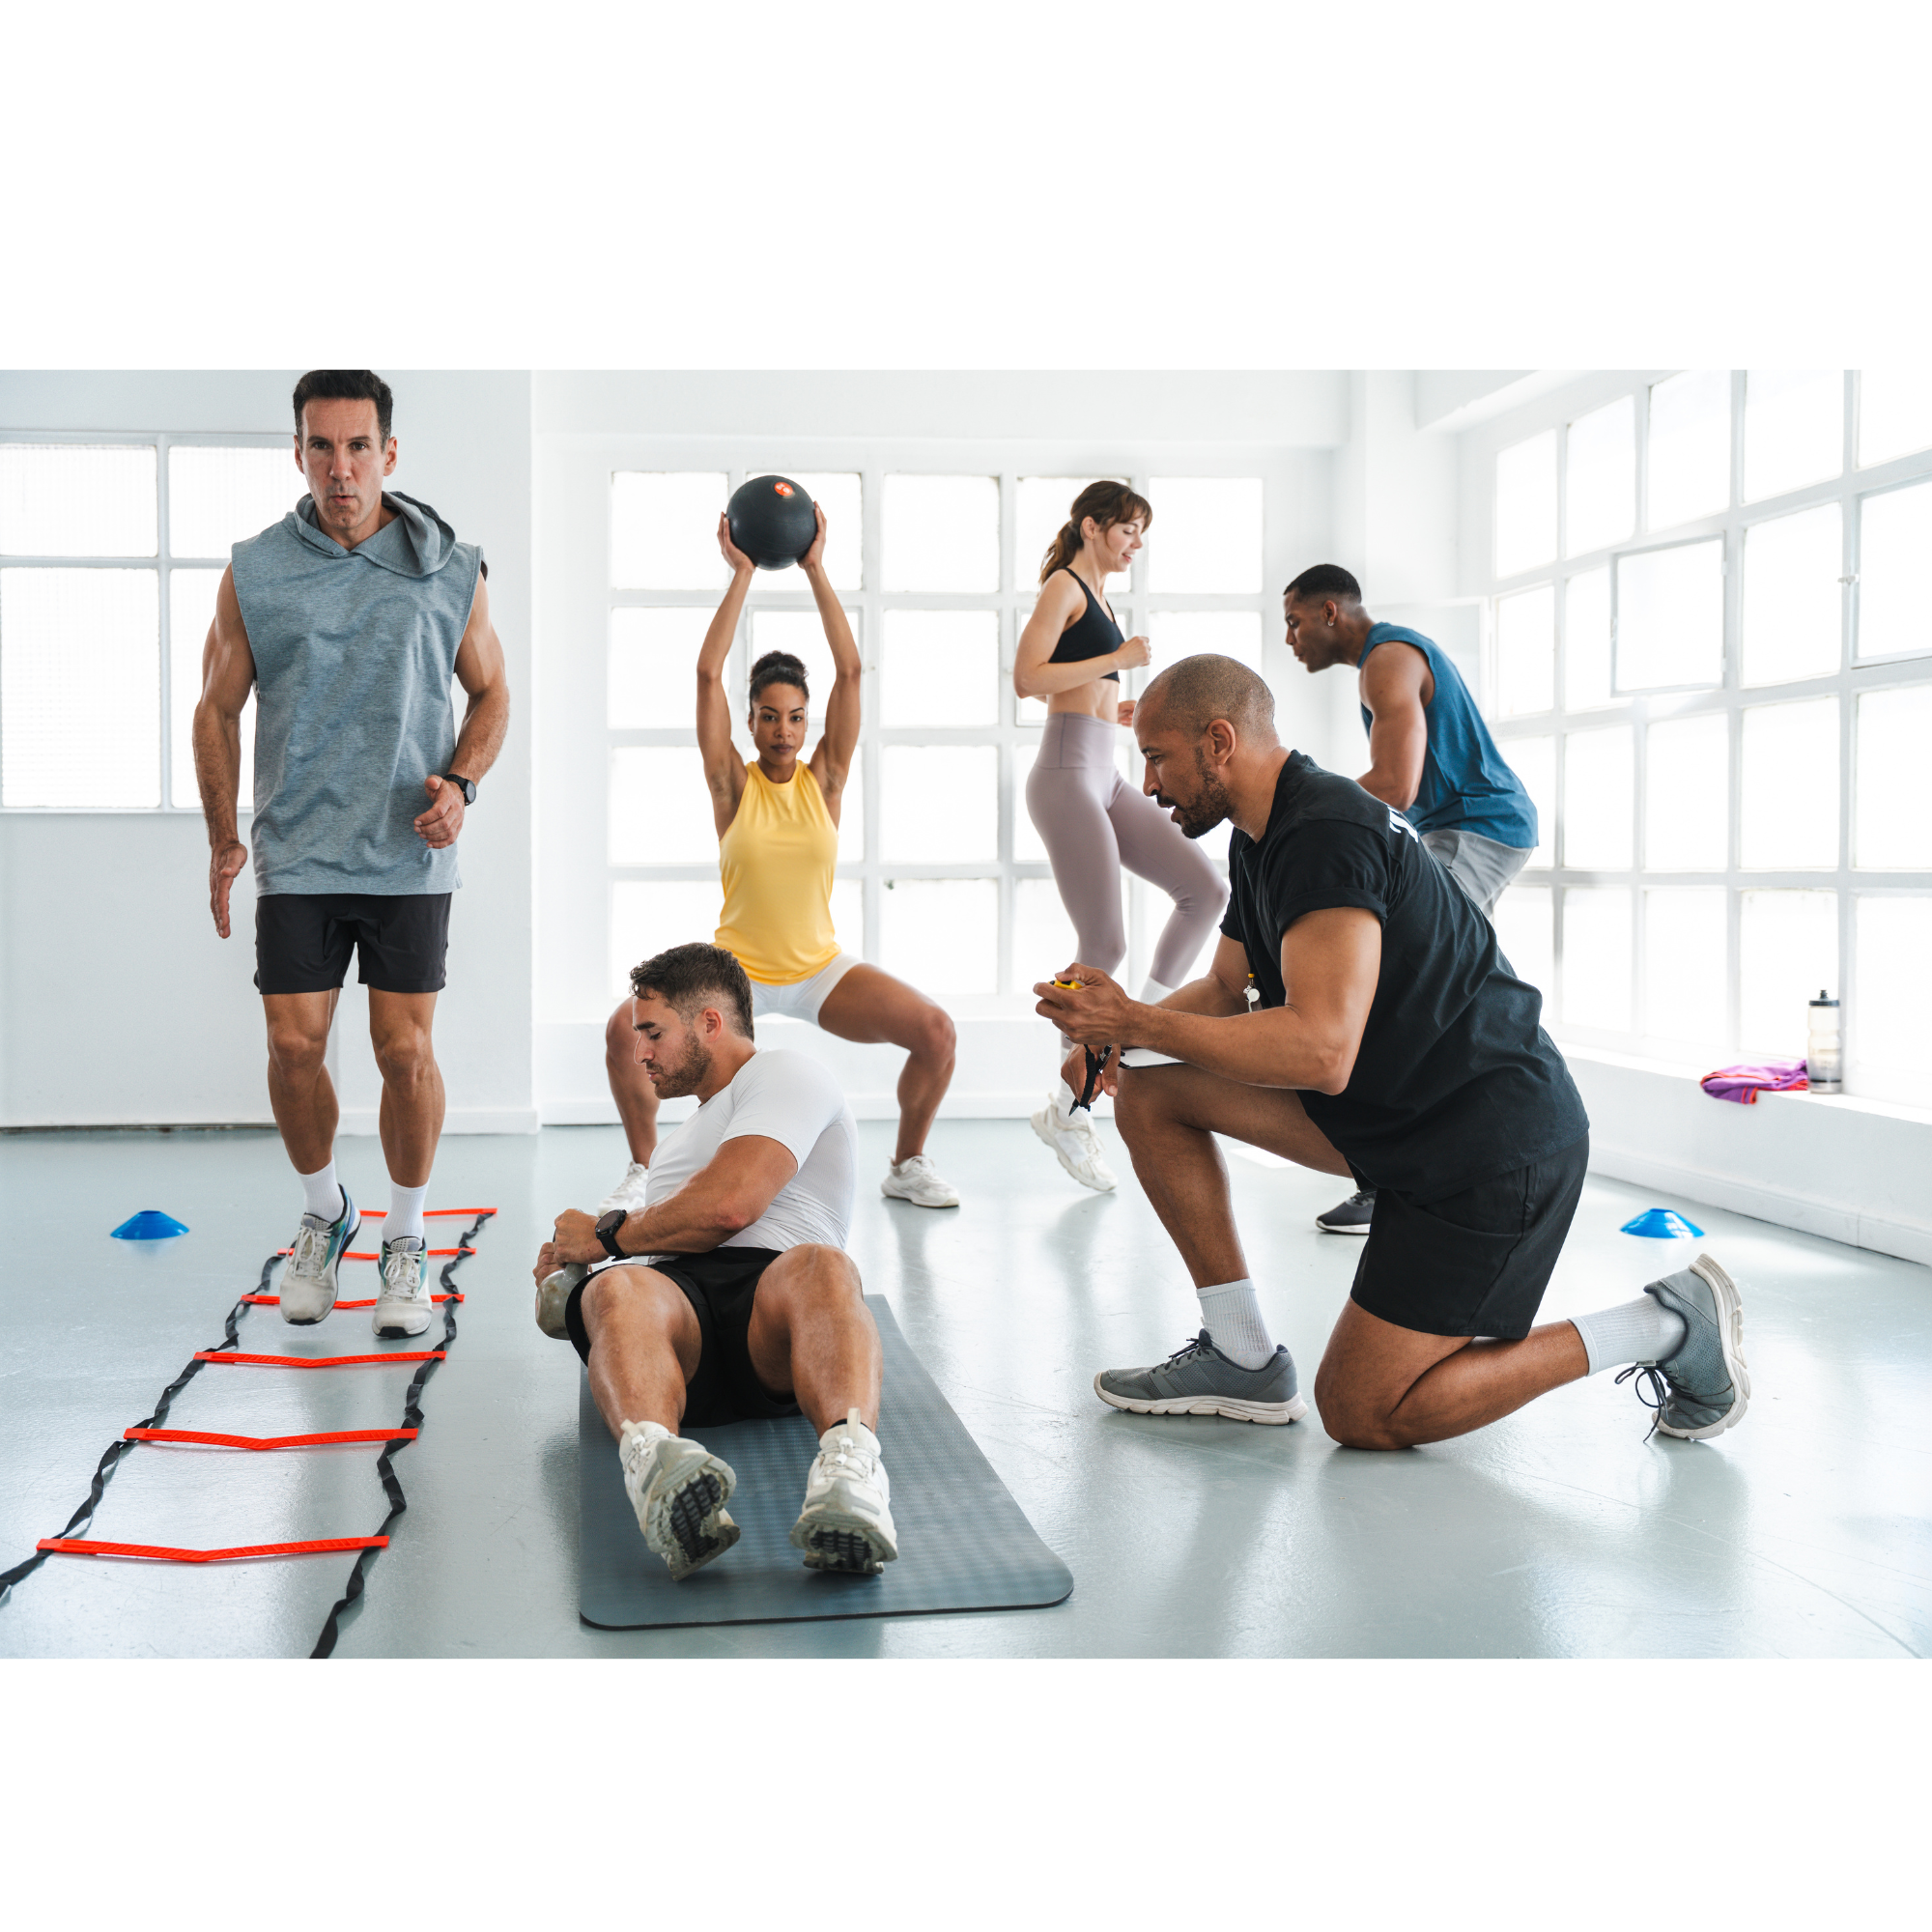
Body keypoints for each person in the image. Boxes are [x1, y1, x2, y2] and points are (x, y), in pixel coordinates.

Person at [1035, 654, 1749, 1452]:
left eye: (1157, 757)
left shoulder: (1326, 833)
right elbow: (1226, 987)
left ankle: (1664, 1325)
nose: (1149, 784)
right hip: (1401, 1123)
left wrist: (1135, 1022)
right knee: (1153, 1090)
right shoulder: (1260, 835)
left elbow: (1320, 1050)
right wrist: (1114, 1040)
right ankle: (1239, 1355)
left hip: (1490, 1147)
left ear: (1220, 742)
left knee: (1362, 1413)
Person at [193, 369, 510, 1340]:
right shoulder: (254, 570)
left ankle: (405, 1237)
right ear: (298, 454)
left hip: (408, 854)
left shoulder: (450, 567)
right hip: (299, 850)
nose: (341, 468)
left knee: (403, 1053)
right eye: (322, 447)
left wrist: (461, 783)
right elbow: (216, 707)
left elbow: (493, 692)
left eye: (358, 446)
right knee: (293, 1049)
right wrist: (222, 836)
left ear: (389, 453)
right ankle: (326, 1210)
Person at [596, 502, 962, 1216]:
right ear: (752, 719)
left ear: (807, 720)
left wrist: (816, 568)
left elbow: (850, 671)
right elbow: (707, 675)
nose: (783, 730)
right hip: (736, 974)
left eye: (795, 716)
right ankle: (644, 1169)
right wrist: (742, 573)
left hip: (818, 968)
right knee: (622, 1030)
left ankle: (907, 1163)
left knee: (936, 1033)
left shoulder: (826, 780)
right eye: (769, 716)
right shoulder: (732, 787)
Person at [537, 943, 896, 1580]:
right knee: (619, 1289)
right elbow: (645, 1251)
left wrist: (605, 1235)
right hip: (682, 1317)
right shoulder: (681, 1140)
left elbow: (730, 1206)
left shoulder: (785, 1074)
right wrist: (572, 1278)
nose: (640, 1053)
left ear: (709, 1023)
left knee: (823, 1265)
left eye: (653, 1033)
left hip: (778, 1309)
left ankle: (850, 1475)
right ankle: (659, 1470)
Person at [1283, 563, 1538, 1236]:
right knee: (1438, 986)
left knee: (1397, 980)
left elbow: (1396, 784)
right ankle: (1446, 1160)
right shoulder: (1386, 659)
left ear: (1330, 612)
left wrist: (1301, 804)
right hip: (1463, 828)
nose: (1290, 638)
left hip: (1477, 827)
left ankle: (1396, 1177)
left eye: (1295, 622)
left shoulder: (1387, 660)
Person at [1015, 481, 1228, 1193]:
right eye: (1128, 529)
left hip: (1102, 769)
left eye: (1142, 532)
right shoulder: (1065, 587)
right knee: (1103, 945)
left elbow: (1077, 690)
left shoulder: (1101, 599)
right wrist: (1124, 658)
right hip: (1065, 775)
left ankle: (1138, 1036)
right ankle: (1071, 1105)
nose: (1136, 543)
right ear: (1091, 526)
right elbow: (1027, 678)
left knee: (1205, 890)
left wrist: (1116, 703)